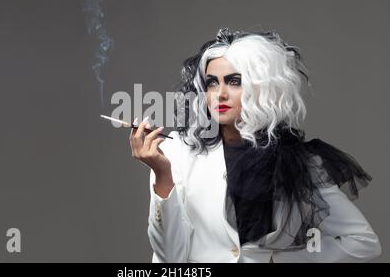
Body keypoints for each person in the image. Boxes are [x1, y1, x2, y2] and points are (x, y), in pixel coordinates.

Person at [129, 28, 382, 263]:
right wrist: (162, 175)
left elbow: (364, 242)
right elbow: (170, 258)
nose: (220, 93)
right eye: (212, 83)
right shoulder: (177, 155)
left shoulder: (298, 162)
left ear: (261, 87)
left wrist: (281, 261)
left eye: (234, 81)